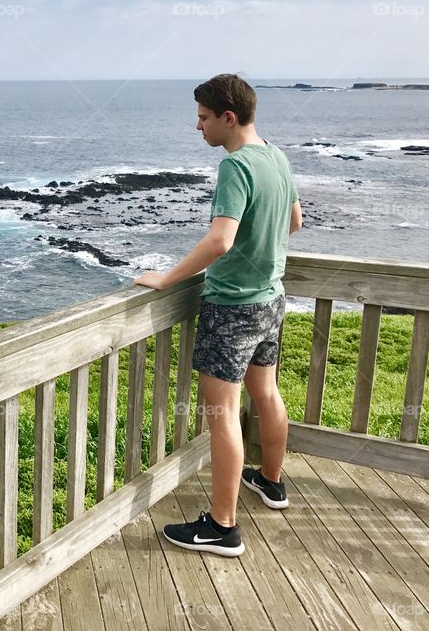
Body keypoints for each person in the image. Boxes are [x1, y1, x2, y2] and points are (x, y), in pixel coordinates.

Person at [134, 73, 301, 557]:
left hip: (232, 306)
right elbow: (294, 221)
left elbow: (220, 240)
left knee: (222, 415)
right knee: (265, 393)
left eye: (204, 118)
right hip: (270, 299)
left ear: (229, 118)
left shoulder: (237, 166)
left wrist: (167, 279)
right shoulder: (276, 155)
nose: (198, 127)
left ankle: (222, 526)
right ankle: (271, 482)